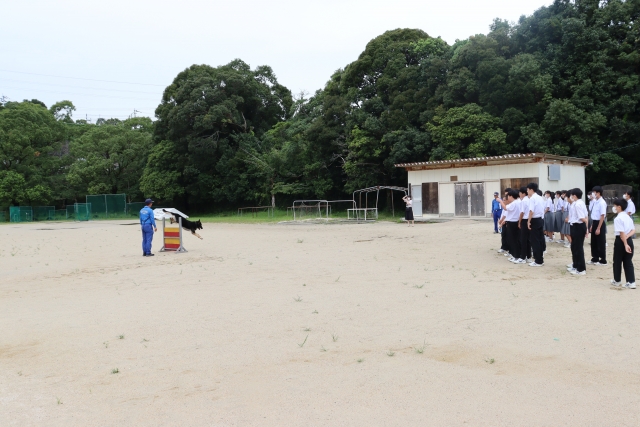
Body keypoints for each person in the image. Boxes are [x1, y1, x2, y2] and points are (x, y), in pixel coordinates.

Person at [610, 198, 636, 289]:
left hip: (621, 241)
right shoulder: (628, 217)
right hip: (629, 239)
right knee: (628, 261)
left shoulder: (618, 218)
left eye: (615, 206)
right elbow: (633, 230)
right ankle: (631, 281)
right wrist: (628, 237)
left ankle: (617, 280)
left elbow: (621, 233)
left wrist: (625, 244)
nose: (614, 208)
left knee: (617, 260)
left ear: (619, 207)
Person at [567, 188, 589, 275]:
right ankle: (576, 265)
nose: (571, 197)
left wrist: (586, 223)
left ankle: (581, 269)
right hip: (575, 225)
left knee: (578, 247)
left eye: (572, 195)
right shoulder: (579, 203)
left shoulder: (578, 204)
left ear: (575, 196)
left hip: (578, 226)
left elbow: (582, 217)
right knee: (575, 246)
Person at [526, 182, 545, 267]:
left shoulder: (532, 198)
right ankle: (540, 259)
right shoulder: (540, 198)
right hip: (540, 219)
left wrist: (528, 221)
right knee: (540, 239)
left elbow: (531, 211)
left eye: (528, 189)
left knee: (535, 240)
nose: (527, 191)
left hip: (535, 219)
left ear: (531, 189)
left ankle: (538, 260)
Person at [500, 189, 521, 262]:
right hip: (512, 222)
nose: (507, 197)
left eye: (508, 196)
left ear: (511, 196)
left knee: (513, 240)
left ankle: (516, 256)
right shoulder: (516, 202)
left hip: (513, 222)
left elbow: (505, 208)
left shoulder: (514, 203)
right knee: (512, 240)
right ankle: (514, 255)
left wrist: (500, 201)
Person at [589, 186, 608, 265]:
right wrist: (592, 225)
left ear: (598, 193)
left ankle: (603, 259)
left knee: (600, 241)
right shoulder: (595, 202)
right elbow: (594, 215)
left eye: (594, 192)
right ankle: (595, 258)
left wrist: (598, 228)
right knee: (594, 241)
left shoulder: (602, 202)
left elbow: (602, 216)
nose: (593, 194)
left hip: (600, 223)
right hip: (595, 222)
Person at [511, 187, 531, 264]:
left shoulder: (524, 201)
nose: (519, 194)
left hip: (525, 219)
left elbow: (522, 213)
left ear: (523, 193)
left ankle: (523, 257)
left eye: (520, 193)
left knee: (523, 239)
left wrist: (519, 222)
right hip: (530, 219)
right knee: (528, 239)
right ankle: (528, 256)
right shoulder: (530, 199)